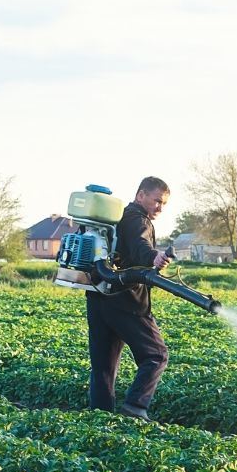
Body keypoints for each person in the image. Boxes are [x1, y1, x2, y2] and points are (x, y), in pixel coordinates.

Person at [86, 176, 172, 420]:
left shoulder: (115, 219)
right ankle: (135, 407)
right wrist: (153, 258)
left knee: (103, 366)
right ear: (140, 195)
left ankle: (99, 420)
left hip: (99, 296)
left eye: (164, 204)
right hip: (127, 301)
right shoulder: (138, 219)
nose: (159, 208)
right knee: (156, 355)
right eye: (156, 201)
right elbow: (140, 245)